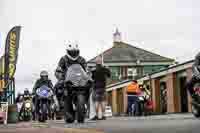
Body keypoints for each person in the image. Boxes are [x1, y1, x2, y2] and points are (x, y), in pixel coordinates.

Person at [54, 41, 88, 122]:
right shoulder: (63, 59)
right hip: (67, 80)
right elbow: (58, 70)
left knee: (89, 86)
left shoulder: (81, 59)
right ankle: (60, 106)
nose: (73, 53)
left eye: (75, 52)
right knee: (57, 88)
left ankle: (85, 104)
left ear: (78, 51)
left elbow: (86, 70)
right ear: (68, 51)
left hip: (79, 80)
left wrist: (88, 75)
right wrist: (60, 77)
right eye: (71, 52)